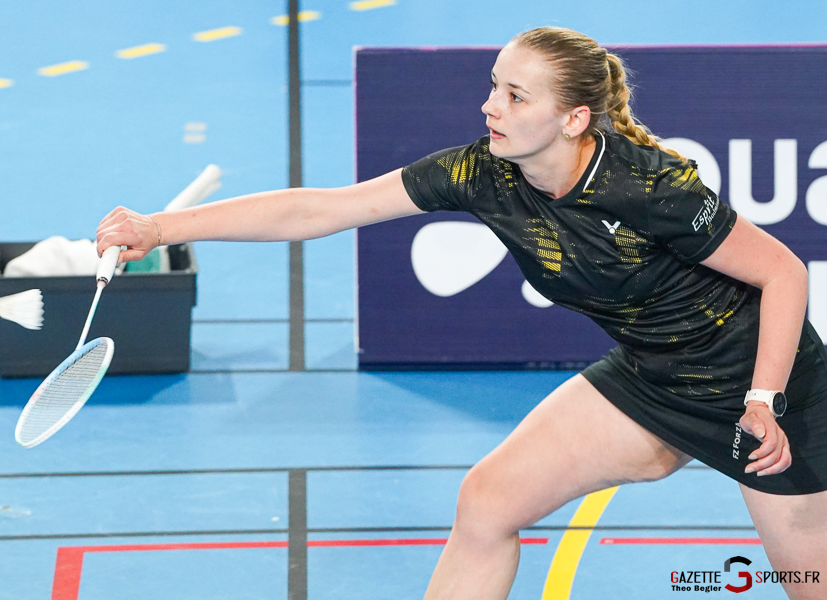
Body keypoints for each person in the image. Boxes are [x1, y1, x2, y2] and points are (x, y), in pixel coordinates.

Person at [96, 26, 827, 600]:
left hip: (763, 385)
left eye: (515, 96)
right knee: (486, 502)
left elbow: (782, 273)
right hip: (650, 378)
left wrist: (765, 399)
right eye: (493, 87)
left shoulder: (647, 186)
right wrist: (160, 228)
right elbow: (322, 208)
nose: (490, 107)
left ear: (573, 118)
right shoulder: (482, 173)